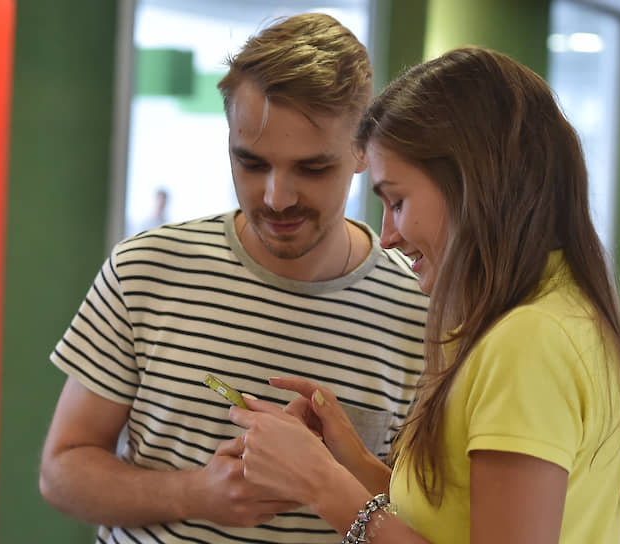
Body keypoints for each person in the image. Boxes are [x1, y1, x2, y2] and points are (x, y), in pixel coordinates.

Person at [228, 46, 620, 544]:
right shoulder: (544, 312)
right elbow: (450, 523)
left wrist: (320, 485)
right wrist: (347, 460)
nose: (388, 237)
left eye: (397, 201)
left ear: (471, 185)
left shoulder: (528, 340)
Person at [38, 13, 429, 544]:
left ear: (364, 151)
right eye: (251, 163)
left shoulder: (421, 308)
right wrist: (195, 493)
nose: (277, 197)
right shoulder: (145, 270)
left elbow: (431, 521)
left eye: (312, 168)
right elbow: (61, 472)